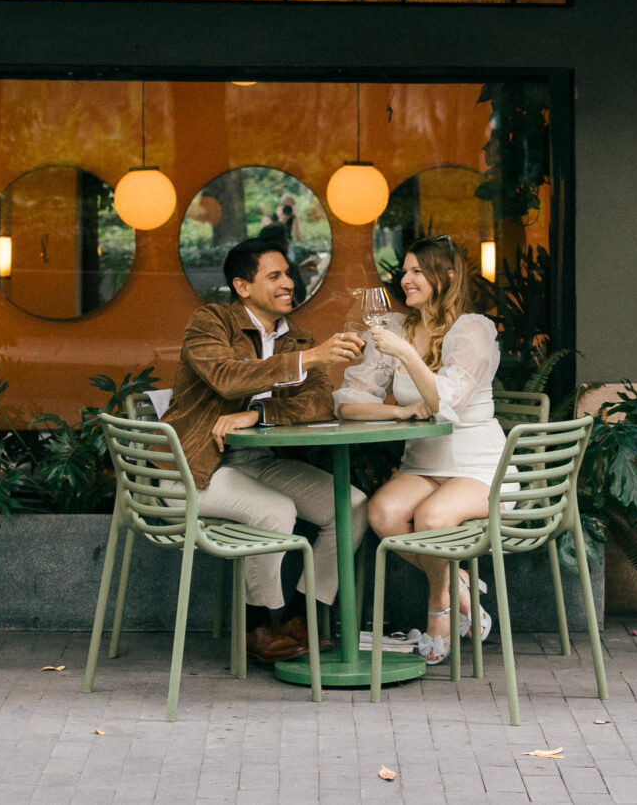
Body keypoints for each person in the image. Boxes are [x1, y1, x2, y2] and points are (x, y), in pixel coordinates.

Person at [163, 236, 369, 664]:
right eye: (274, 275)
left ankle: (300, 619)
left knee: (351, 504)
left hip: (253, 459)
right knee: (275, 512)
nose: (288, 283)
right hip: (194, 465)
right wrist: (311, 357)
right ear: (242, 286)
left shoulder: (296, 338)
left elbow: (317, 402)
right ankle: (255, 625)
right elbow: (226, 377)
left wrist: (259, 416)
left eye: (288, 274)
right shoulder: (211, 322)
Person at [334, 235, 503, 664]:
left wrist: (407, 355)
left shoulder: (473, 330)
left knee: (430, 518)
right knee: (383, 513)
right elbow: (351, 403)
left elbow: (446, 403)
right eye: (404, 271)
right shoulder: (394, 328)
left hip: (476, 464)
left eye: (417, 271)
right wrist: (399, 414)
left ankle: (438, 613)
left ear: (446, 277)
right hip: (424, 461)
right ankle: (461, 585)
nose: (406, 279)